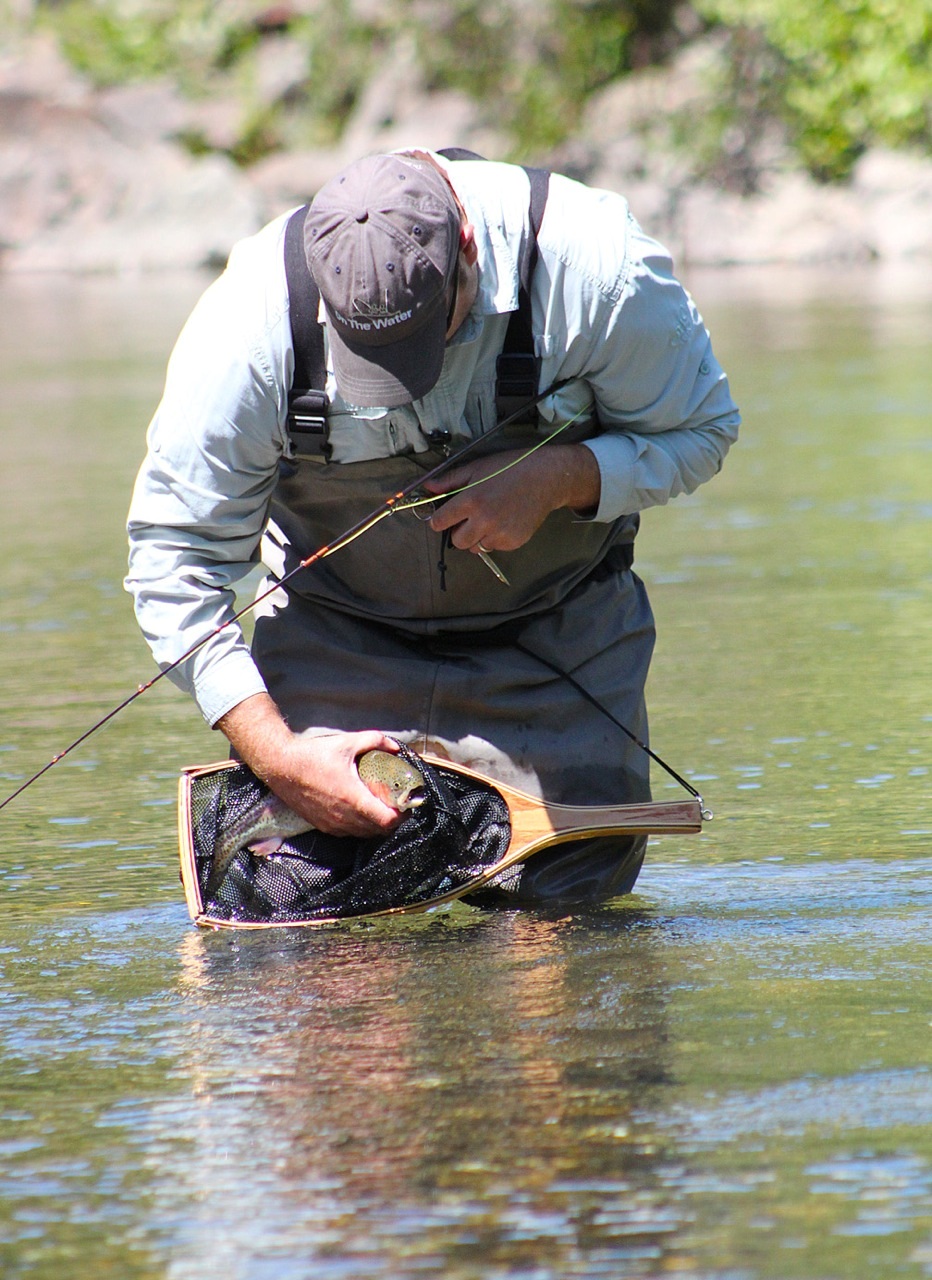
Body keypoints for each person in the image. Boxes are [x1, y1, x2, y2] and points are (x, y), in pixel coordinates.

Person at [126, 148, 739, 906]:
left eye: (421, 341)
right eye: (366, 357)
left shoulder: (598, 269)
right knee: (304, 937)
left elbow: (702, 431)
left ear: (470, 254)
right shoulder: (249, 324)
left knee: (562, 953)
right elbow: (172, 561)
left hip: (557, 647)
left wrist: (555, 479)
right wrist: (277, 755)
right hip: (338, 644)